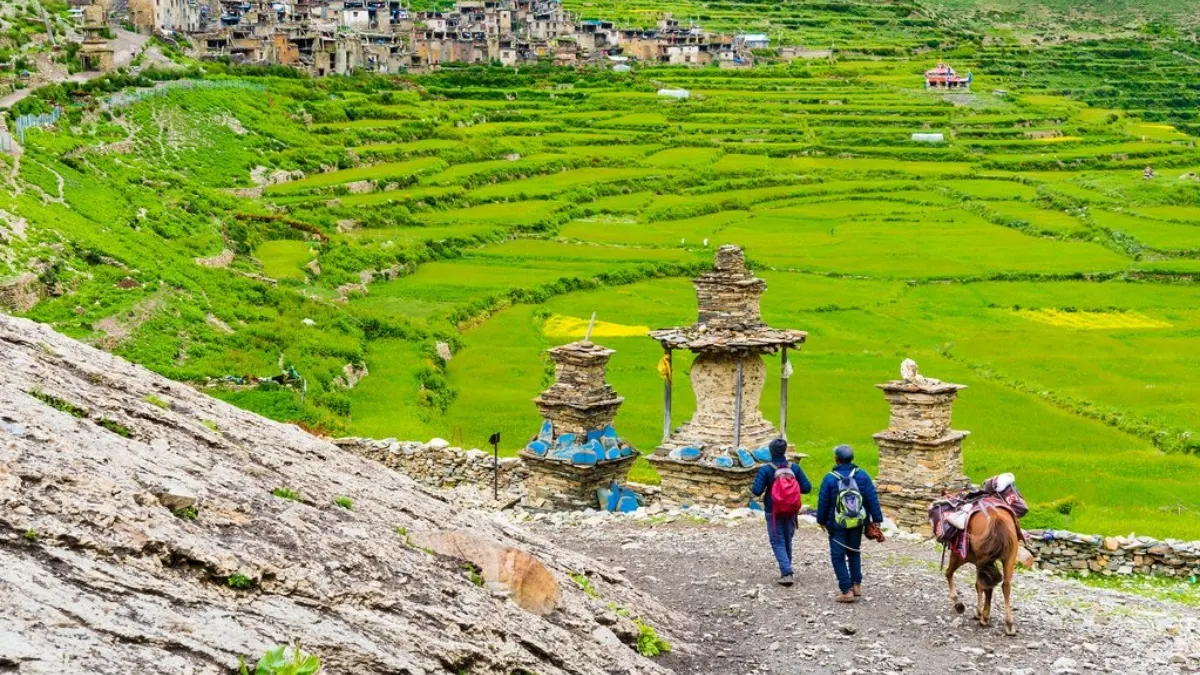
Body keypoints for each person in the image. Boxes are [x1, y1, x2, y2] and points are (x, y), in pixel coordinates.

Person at [816, 444, 884, 603]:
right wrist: (877, 519)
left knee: (837, 556)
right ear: (852, 458)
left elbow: (823, 502)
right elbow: (872, 498)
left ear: (836, 459)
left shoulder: (830, 478)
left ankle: (846, 590)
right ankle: (856, 585)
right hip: (857, 522)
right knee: (854, 551)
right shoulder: (863, 476)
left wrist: (821, 520)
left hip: (837, 524)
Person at [751, 438, 812, 586]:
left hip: (773, 510)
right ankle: (786, 568)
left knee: (777, 540)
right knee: (787, 539)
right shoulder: (794, 468)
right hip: (791, 510)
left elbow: (756, 491)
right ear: (785, 451)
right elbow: (807, 488)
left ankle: (787, 572)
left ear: (771, 451)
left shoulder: (766, 469)